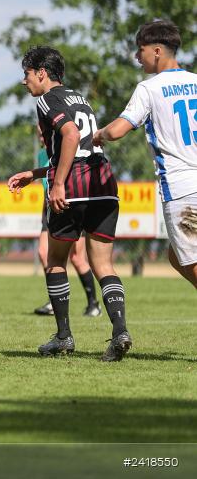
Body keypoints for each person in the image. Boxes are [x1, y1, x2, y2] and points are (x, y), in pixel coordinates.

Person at [7, 46, 131, 361]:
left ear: (41, 73)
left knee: (55, 260)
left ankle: (63, 337)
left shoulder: (46, 99)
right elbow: (82, 144)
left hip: (73, 186)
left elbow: (72, 136)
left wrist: (57, 182)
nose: (25, 82)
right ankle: (119, 331)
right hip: (103, 184)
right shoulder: (79, 98)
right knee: (104, 265)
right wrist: (37, 174)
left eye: (26, 74)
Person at [94, 19, 197, 291]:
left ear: (157, 51)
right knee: (176, 256)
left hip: (182, 188)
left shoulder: (149, 88)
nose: (137, 57)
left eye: (140, 50)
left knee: (189, 262)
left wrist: (97, 134)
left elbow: (117, 131)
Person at [33, 129, 101, 317]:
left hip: (69, 203)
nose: (41, 137)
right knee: (43, 252)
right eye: (39, 134)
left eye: (43, 133)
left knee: (77, 258)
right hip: (48, 205)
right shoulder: (41, 154)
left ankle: (93, 304)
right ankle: (55, 301)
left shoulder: (64, 149)